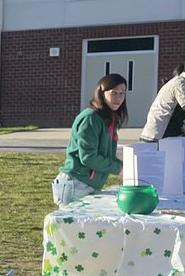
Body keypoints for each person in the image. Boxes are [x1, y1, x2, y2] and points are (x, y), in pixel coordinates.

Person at [52, 73, 128, 205]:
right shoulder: (90, 118)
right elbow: (88, 157)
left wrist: (126, 167)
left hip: (89, 185)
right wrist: (118, 169)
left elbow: (106, 155)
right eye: (114, 92)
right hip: (75, 184)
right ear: (101, 92)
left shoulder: (109, 120)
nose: (118, 98)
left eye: (122, 93)